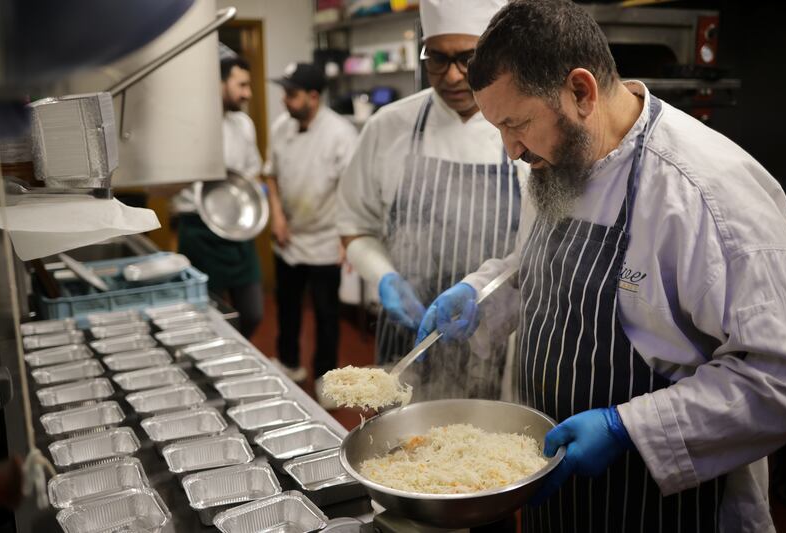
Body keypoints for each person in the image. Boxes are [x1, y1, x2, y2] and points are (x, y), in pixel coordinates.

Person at [418, 1, 786, 531]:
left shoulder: (707, 192)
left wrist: (627, 429)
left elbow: (779, 379)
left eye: (517, 123)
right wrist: (482, 293)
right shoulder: (559, 157)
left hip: (662, 504)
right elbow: (538, 267)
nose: (510, 150)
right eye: (498, 128)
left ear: (580, 91)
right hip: (555, 484)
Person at [337, 0, 527, 401]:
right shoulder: (387, 127)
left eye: (468, 59)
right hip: (405, 338)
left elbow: (539, 250)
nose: (453, 76)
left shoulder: (525, 129)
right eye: (437, 58)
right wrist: (384, 277)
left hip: (494, 344)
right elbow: (354, 225)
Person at [264, 63, 358, 397]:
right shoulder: (280, 128)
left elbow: (351, 190)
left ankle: (325, 378)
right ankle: (289, 362)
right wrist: (277, 216)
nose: (284, 101)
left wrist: (347, 239)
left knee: (326, 315)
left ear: (313, 97)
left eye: (291, 94)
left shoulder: (341, 134)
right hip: (289, 236)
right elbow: (271, 175)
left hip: (324, 239)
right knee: (286, 307)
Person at [174, 55, 264, 339]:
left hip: (237, 229)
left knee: (252, 313)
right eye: (242, 85)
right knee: (208, 315)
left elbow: (253, 173)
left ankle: (240, 351)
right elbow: (163, 187)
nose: (248, 93)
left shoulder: (244, 124)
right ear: (220, 83)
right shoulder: (189, 125)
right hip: (198, 229)